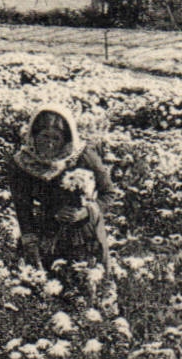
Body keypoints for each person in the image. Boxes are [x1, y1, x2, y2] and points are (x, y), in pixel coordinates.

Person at [7, 105, 117, 277]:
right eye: (44, 136)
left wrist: (85, 212)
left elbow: (109, 193)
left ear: (66, 139)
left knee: (85, 284)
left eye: (56, 138)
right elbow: (22, 207)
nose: (49, 143)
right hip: (46, 232)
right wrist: (30, 243)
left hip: (82, 236)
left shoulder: (82, 156)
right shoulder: (23, 163)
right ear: (33, 135)